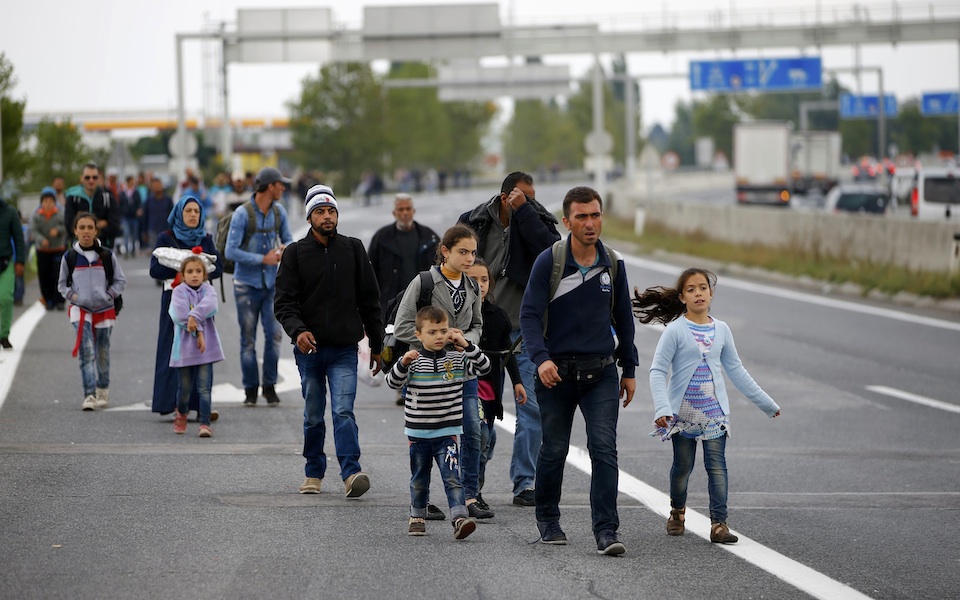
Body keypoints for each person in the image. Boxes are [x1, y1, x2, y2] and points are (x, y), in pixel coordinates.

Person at [519, 186, 638, 556]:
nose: (591, 223)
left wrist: (629, 368)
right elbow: (529, 316)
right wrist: (541, 360)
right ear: (568, 221)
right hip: (556, 375)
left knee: (604, 450)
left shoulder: (613, 264)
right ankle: (548, 519)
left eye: (596, 215)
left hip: (600, 372)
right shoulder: (550, 261)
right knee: (553, 449)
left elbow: (624, 319)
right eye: (582, 216)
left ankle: (606, 530)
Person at [632, 267, 782, 545]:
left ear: (711, 294)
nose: (698, 293)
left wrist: (766, 403)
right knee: (682, 467)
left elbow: (737, 371)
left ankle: (719, 525)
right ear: (682, 297)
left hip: (715, 415)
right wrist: (663, 408)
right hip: (683, 416)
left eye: (703, 287)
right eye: (691, 289)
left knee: (717, 467)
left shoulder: (722, 330)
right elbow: (657, 371)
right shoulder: (675, 330)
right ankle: (677, 512)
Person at [458, 171, 561, 507]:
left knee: (531, 409)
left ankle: (524, 483)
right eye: (523, 196)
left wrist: (527, 212)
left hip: (526, 331)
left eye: (533, 196)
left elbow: (552, 253)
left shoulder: (539, 220)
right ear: (506, 197)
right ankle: (474, 485)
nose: (532, 201)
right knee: (481, 411)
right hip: (481, 331)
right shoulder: (474, 221)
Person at [274, 184, 383, 498]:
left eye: (331, 211)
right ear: (309, 217)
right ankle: (313, 472)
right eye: (320, 211)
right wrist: (298, 331)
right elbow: (284, 303)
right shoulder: (295, 253)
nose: (327, 216)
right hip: (309, 351)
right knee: (313, 413)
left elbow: (370, 300)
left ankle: (351, 473)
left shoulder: (353, 248)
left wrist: (377, 344)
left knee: (343, 411)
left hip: (344, 350)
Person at [393, 224, 489, 519]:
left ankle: (470, 496)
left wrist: (463, 340)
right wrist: (435, 337)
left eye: (473, 252)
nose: (469, 258)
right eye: (463, 252)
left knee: (473, 432)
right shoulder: (423, 283)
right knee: (427, 439)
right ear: (445, 252)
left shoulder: (472, 286)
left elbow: (477, 326)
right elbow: (402, 326)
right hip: (427, 373)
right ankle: (425, 501)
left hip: (463, 371)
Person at [386, 305, 491, 538]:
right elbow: (392, 383)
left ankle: (459, 517)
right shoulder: (413, 361)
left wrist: (465, 344)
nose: (439, 337)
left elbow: (484, 367)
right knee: (419, 478)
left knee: (452, 477)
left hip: (447, 432)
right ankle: (417, 515)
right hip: (419, 434)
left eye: (443, 331)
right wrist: (402, 363)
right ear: (418, 335)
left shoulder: (457, 359)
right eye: (432, 332)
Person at [224, 166, 294, 407]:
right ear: (269, 186)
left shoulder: (279, 212)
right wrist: (261, 259)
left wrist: (286, 250)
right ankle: (251, 389)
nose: (283, 188)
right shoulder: (243, 214)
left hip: (272, 285)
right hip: (246, 284)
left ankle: (270, 387)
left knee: (274, 337)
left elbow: (289, 240)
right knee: (248, 340)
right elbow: (230, 251)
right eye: (280, 184)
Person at [149, 195, 223, 419]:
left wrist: (196, 270)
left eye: (196, 211)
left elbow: (217, 268)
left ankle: (202, 406)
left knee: (202, 350)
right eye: (188, 211)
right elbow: (155, 270)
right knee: (173, 349)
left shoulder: (206, 238)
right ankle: (169, 402)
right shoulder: (166, 238)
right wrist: (186, 266)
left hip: (202, 303)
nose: (192, 215)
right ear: (179, 213)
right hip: (175, 302)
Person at [465, 258, 526, 514]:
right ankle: (469, 493)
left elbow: (505, 353)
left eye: (484, 279)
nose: (480, 285)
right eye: (474, 279)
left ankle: (474, 488)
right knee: (476, 438)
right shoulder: (460, 316)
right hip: (466, 389)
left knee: (487, 441)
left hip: (491, 391)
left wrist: (518, 383)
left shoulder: (498, 315)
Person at [58, 212, 127, 411]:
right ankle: (89, 394)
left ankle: (102, 388)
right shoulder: (69, 257)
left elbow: (120, 280)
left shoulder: (106, 255)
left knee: (102, 351)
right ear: (75, 231)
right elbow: (62, 285)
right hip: (80, 310)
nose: (86, 232)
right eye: (82, 228)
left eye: (90, 227)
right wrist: (75, 298)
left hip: (105, 310)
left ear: (96, 230)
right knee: (86, 351)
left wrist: (109, 295)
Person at [169, 255, 225, 437]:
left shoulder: (208, 290)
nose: (194, 275)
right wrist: (198, 331)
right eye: (190, 271)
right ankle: (182, 413)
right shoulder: (178, 291)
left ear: (205, 274)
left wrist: (194, 317)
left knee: (204, 387)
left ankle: (205, 423)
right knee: (184, 388)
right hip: (185, 348)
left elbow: (211, 305)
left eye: (198, 271)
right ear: (182, 275)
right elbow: (179, 314)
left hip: (205, 348)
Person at [368, 193, 440, 319]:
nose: (405, 213)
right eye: (401, 209)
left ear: (414, 211)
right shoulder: (381, 238)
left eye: (408, 209)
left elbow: (441, 268)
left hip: (424, 304)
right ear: (394, 213)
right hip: (390, 304)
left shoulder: (430, 237)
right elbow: (370, 273)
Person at [64, 163, 121, 248]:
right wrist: (99, 224)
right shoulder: (73, 198)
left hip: (103, 248)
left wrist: (83, 229)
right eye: (87, 177)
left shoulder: (108, 198)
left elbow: (114, 226)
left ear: (99, 178)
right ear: (81, 178)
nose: (91, 180)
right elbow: (69, 225)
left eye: (94, 177)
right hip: (78, 249)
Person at [30, 187, 67, 310]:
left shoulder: (60, 214)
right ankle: (48, 299)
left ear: (54, 202)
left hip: (58, 249)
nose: (48, 203)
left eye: (50, 201)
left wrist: (57, 230)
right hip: (43, 250)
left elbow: (66, 227)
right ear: (41, 203)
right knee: (44, 276)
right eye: (45, 201)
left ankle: (60, 300)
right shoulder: (37, 216)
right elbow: (33, 231)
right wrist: (41, 240)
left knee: (58, 275)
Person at [0, 196, 26, 349]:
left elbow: (19, 238)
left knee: (6, 298)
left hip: (5, 262)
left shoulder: (9, 212)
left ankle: (3, 335)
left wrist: (20, 262)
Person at [141, 177, 174, 254]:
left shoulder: (168, 200)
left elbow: (173, 216)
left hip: (166, 230)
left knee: (166, 253)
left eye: (158, 185)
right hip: (152, 230)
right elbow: (145, 217)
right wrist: (144, 232)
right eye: (154, 185)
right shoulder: (148, 201)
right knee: (155, 253)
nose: (157, 187)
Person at [119, 175, 143, 257]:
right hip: (125, 216)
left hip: (134, 216)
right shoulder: (123, 192)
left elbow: (139, 203)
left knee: (134, 234)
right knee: (126, 233)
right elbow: (120, 204)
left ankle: (132, 250)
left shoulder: (136, 192)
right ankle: (126, 250)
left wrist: (139, 209)